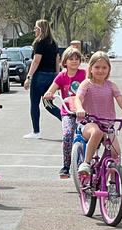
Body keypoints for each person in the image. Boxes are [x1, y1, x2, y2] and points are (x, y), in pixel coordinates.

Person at [74, 51, 122, 177]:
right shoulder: (87, 84)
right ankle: (86, 164)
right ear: (90, 68)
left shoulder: (111, 86)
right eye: (97, 67)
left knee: (115, 153)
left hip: (107, 125)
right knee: (97, 132)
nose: (100, 70)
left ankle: (111, 182)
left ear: (109, 69)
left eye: (104, 67)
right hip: (88, 123)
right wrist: (80, 108)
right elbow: (78, 98)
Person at [42, 46, 86, 178]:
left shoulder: (84, 74)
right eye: (71, 59)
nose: (74, 61)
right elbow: (50, 90)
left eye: (77, 59)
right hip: (68, 112)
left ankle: (87, 163)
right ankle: (66, 166)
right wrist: (49, 93)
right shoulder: (62, 76)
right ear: (65, 61)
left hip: (84, 111)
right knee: (67, 135)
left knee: (90, 136)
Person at [23, 18, 60, 138]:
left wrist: (29, 77)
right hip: (51, 76)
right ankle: (67, 121)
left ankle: (36, 131)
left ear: (40, 29)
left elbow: (36, 60)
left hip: (39, 76)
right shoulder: (53, 43)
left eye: (35, 28)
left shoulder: (39, 42)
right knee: (48, 104)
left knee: (34, 103)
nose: (34, 30)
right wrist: (57, 78)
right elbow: (57, 61)